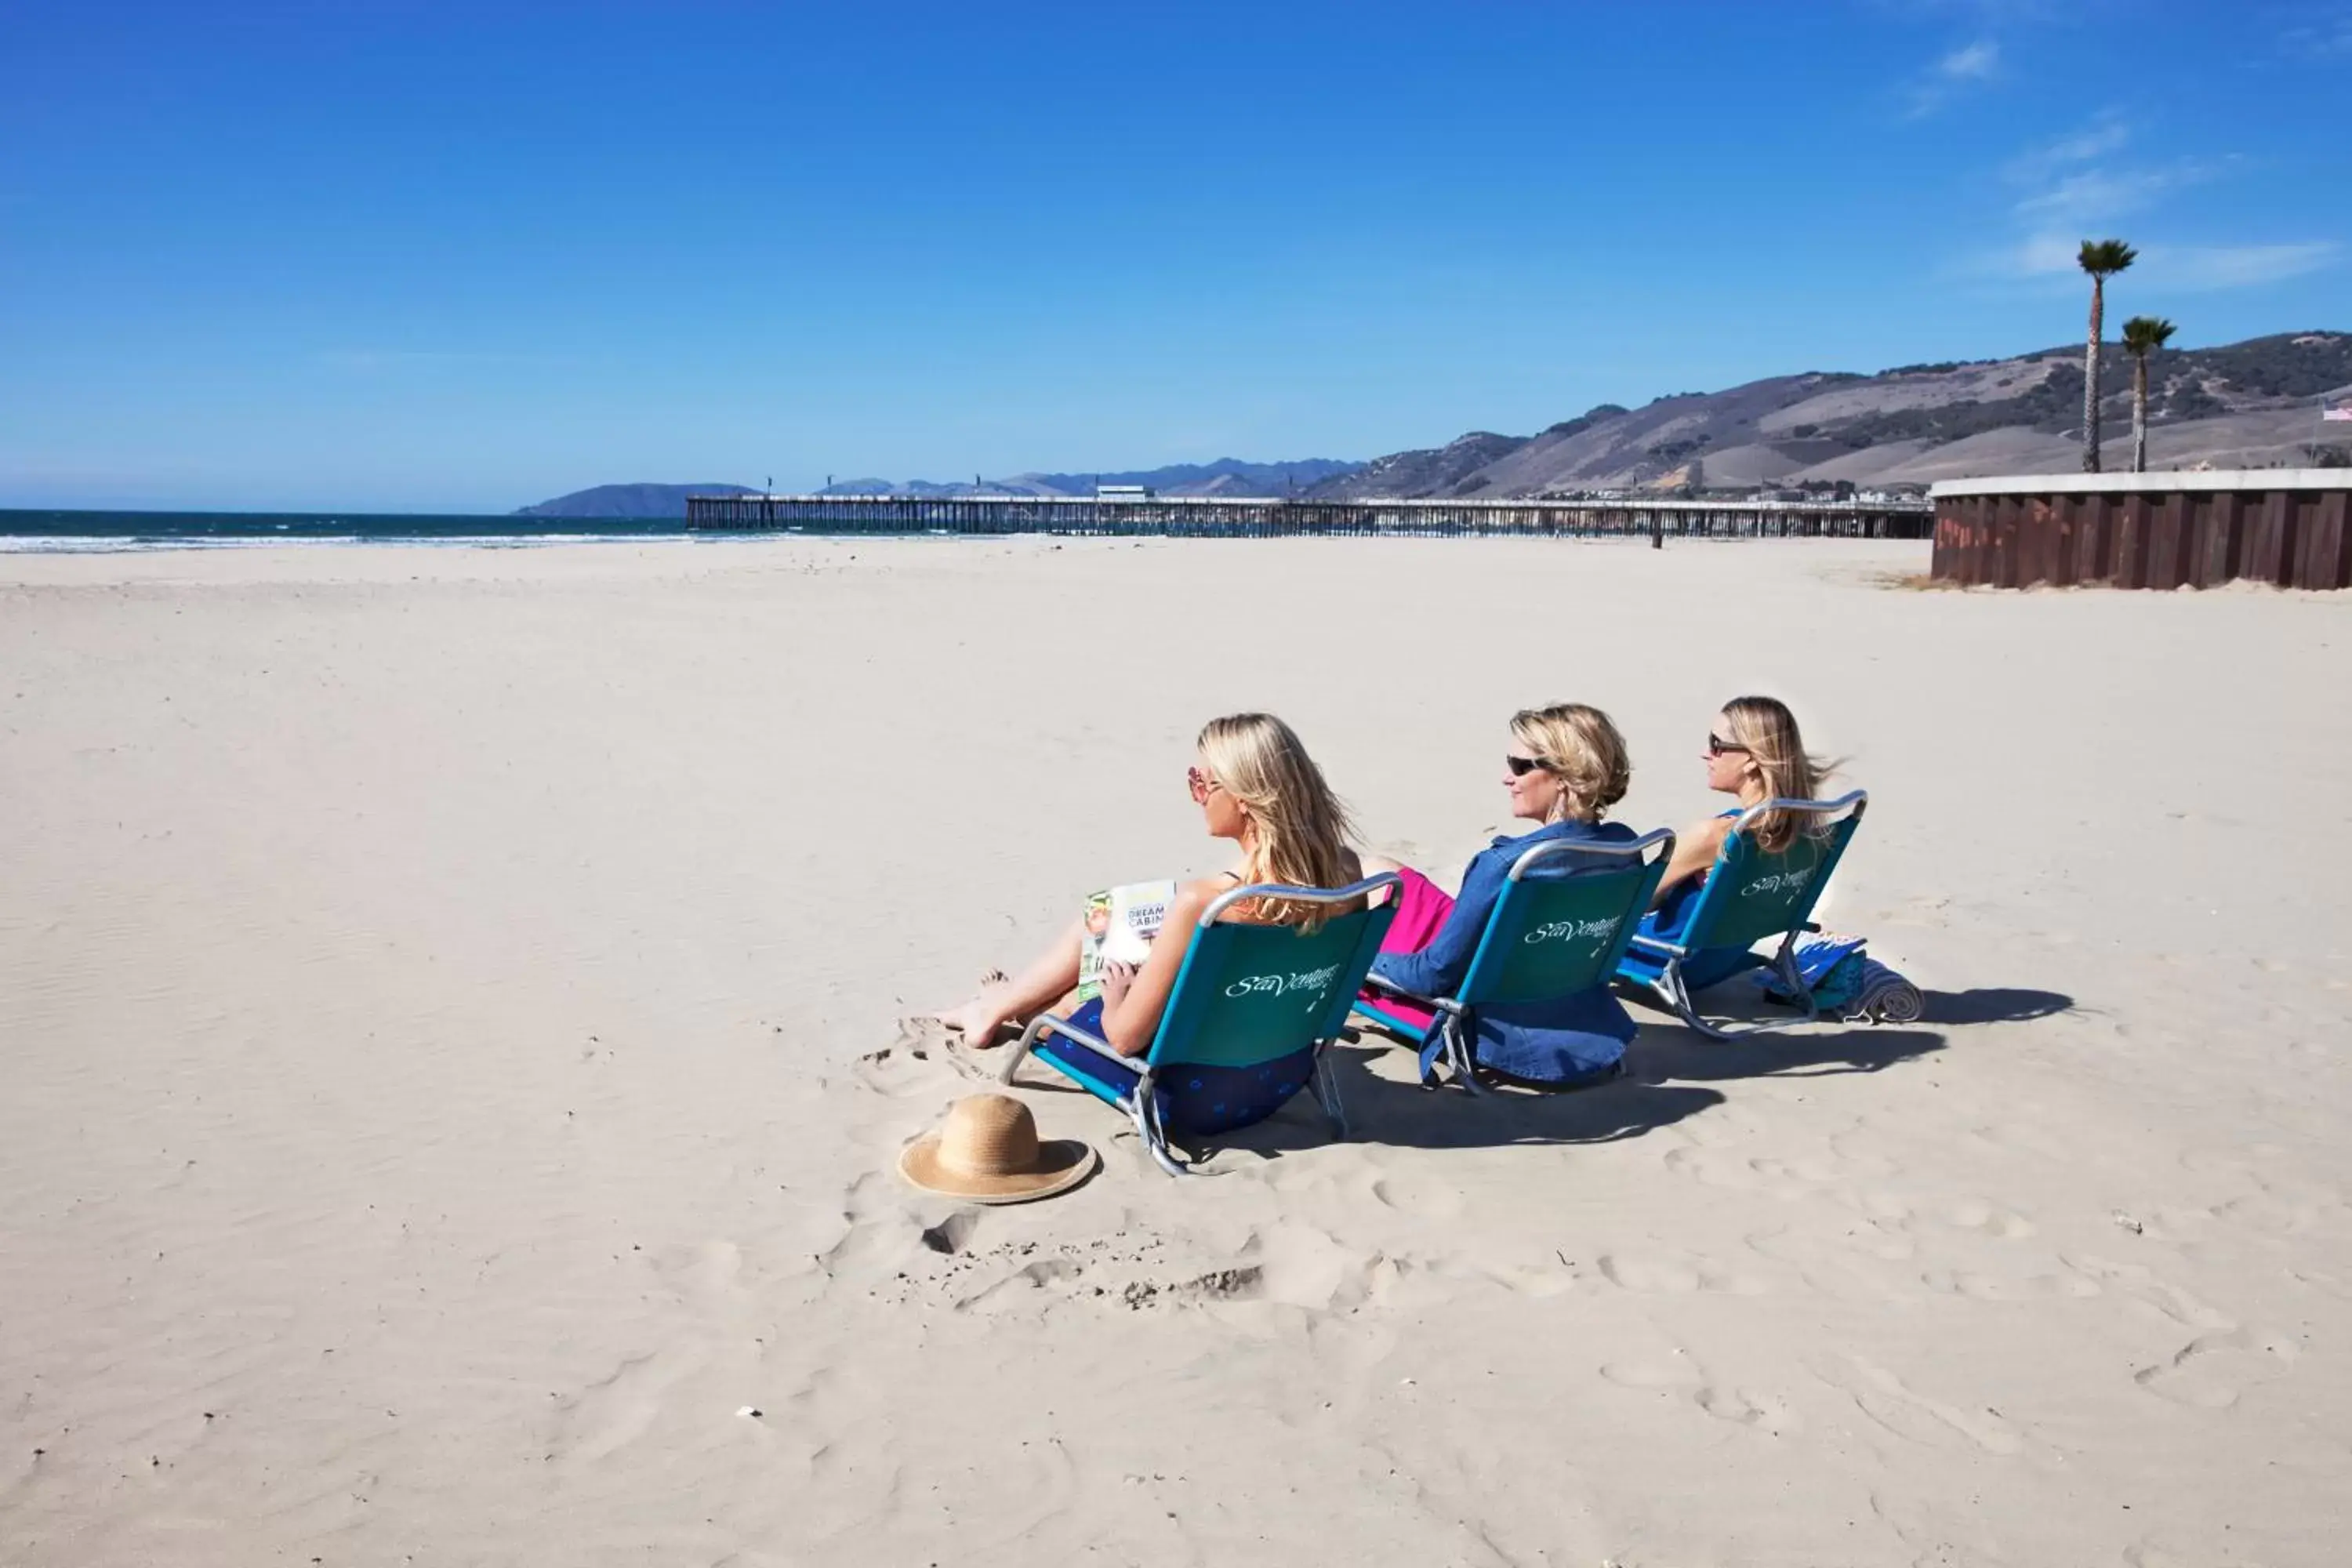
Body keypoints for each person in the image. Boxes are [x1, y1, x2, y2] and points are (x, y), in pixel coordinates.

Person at [931, 713, 1365, 1059]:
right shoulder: (1344, 874)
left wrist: (1118, 993)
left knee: (1087, 989)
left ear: (1243, 801)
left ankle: (995, 1008)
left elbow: (1123, 1040)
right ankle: (998, 1007)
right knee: (1105, 918)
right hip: (1275, 1056)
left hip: (1199, 1078)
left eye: (1203, 782)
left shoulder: (1205, 903)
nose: (1196, 794)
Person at [1359, 702, 1642, 1087]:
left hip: (1499, 1028)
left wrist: (1364, 962)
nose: (1506, 778)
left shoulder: (1508, 865)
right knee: (1380, 870)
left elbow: (1432, 975)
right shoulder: (1623, 848)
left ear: (1564, 776)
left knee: (1365, 912)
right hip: (1567, 1003)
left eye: (1520, 766)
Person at [1640, 694, 1840, 990]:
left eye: (1716, 745)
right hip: (1721, 961)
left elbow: (1636, 903)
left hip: (1666, 960)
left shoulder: (1717, 837)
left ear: (1750, 760)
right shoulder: (1801, 833)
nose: (1706, 754)